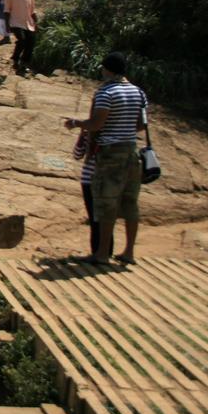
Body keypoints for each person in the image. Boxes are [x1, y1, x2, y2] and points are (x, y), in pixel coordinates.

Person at [63, 52, 147, 265]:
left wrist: (76, 124)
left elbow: (97, 124)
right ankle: (128, 252)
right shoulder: (139, 92)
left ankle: (101, 254)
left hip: (109, 154)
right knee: (130, 204)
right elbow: (142, 124)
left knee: (104, 205)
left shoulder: (106, 93)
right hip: (131, 152)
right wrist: (124, 129)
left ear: (107, 69)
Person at [71, 130, 106, 259]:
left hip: (89, 180)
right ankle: (105, 251)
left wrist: (82, 135)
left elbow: (77, 154)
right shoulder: (111, 135)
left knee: (94, 218)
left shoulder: (90, 134)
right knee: (105, 218)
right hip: (107, 179)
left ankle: (97, 252)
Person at [4, 0, 38, 75]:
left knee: (31, 42)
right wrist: (7, 25)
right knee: (22, 40)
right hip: (15, 22)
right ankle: (15, 59)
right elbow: (6, 11)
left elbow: (32, 10)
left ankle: (24, 63)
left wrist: (36, 22)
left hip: (28, 22)